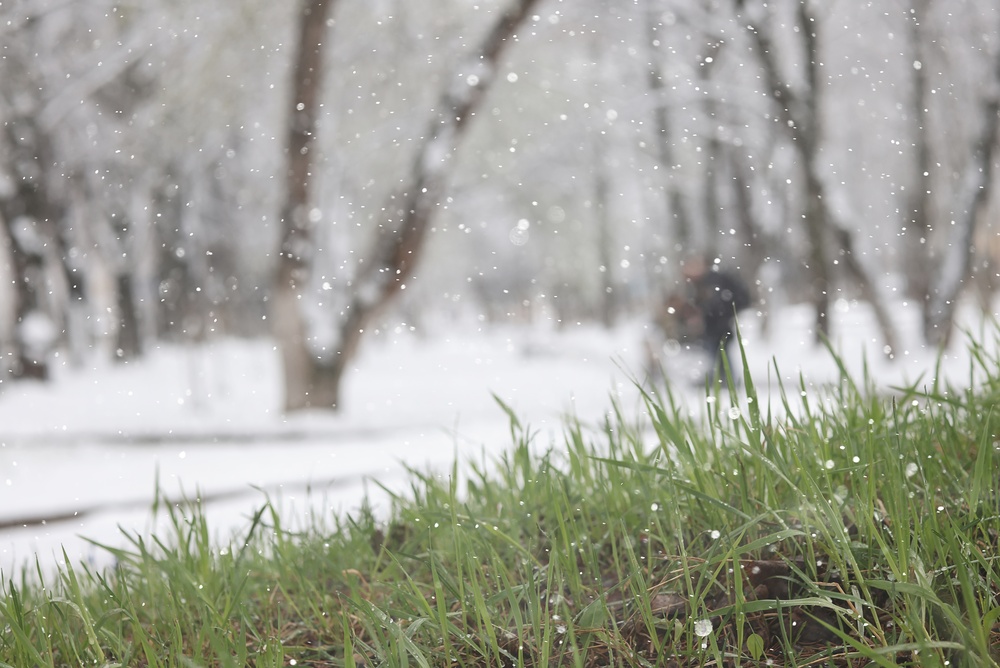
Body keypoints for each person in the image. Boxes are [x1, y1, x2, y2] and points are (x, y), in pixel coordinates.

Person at [682, 256, 752, 385]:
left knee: (721, 353)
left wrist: (704, 312)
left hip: (720, 327)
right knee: (718, 354)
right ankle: (723, 380)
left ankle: (727, 382)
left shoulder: (712, 282)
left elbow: (717, 304)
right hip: (718, 326)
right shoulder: (704, 283)